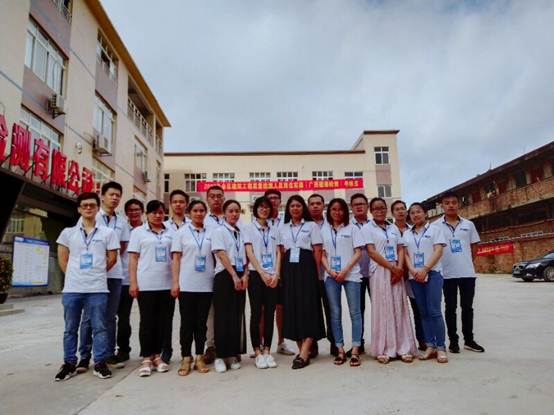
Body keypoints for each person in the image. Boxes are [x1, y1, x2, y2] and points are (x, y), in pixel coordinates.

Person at [55, 192, 118, 381]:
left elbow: (112, 258)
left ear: (98, 208)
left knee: (99, 327)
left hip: (97, 289)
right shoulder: (68, 233)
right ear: (79, 209)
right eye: (85, 205)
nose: (88, 208)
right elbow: (62, 259)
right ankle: (69, 363)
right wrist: (75, 275)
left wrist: (96, 272)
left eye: (92, 205)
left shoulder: (108, 233)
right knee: (70, 328)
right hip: (72, 289)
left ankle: (99, 363)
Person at [77, 181, 130, 373]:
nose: (114, 198)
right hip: (92, 275)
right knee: (88, 316)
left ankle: (108, 353)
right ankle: (84, 356)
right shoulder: (91, 215)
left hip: (114, 275)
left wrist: (108, 259)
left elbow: (121, 247)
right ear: (103, 196)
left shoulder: (122, 221)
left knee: (109, 316)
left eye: (118, 195)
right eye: (111, 194)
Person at [362, 197, 416, 364]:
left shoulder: (393, 227)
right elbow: (371, 252)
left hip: (396, 270)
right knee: (383, 307)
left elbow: (400, 248)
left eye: (382, 208)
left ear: (386, 210)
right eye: (376, 208)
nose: (379, 211)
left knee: (399, 306)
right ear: (371, 211)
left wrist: (399, 268)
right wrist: (392, 268)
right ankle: (384, 348)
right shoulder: (367, 228)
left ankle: (403, 347)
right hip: (379, 270)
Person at [278, 195, 325, 369]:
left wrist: (315, 272)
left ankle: (305, 351)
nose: (295, 208)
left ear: (302, 208)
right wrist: (280, 273)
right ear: (288, 209)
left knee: (309, 307)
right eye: (292, 206)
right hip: (289, 269)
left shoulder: (311, 226)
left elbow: (317, 250)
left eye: (298, 205)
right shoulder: (282, 228)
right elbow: (281, 251)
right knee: (293, 308)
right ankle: (302, 351)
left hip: (307, 268)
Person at [433, 191, 484, 353]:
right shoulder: (435, 226)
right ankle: (453, 341)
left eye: (454, 202)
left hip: (467, 273)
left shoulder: (468, 225)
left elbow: (474, 247)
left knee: (467, 307)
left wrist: (466, 261)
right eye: (447, 203)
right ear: (442, 206)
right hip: (447, 274)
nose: (450, 205)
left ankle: (469, 340)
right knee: (450, 308)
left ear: (458, 204)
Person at [128, 200, 175, 377]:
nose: (157, 215)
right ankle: (147, 357)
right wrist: (133, 282)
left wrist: (175, 282)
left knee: (163, 322)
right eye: (154, 212)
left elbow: (175, 258)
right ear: (147, 214)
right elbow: (133, 259)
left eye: (161, 212)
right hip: (146, 284)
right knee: (147, 321)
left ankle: (157, 356)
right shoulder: (138, 232)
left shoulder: (171, 232)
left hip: (166, 284)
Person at [171, 200, 213, 375]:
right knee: (187, 323)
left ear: (206, 213)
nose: (198, 213)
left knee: (201, 324)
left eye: (202, 210)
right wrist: (175, 283)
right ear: (189, 213)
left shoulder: (211, 232)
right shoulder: (181, 233)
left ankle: (199, 357)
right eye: (195, 210)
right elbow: (176, 259)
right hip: (187, 284)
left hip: (206, 284)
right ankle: (186, 357)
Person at [321, 198, 365, 367]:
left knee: (355, 312)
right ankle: (339, 349)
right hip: (331, 276)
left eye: (340, 209)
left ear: (345, 211)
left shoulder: (352, 228)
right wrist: (330, 270)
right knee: (335, 313)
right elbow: (322, 254)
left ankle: (355, 350)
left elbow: (358, 252)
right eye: (333, 209)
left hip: (351, 275)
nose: (337, 212)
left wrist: (345, 270)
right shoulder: (324, 230)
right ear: (329, 211)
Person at [404, 202, 448, 363]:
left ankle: (441, 347)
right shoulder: (406, 234)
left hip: (433, 273)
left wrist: (425, 269)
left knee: (434, 311)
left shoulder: (435, 230)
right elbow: (405, 254)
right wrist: (413, 270)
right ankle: (430, 345)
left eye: (418, 212)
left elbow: (438, 250)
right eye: (412, 213)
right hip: (415, 276)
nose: (416, 215)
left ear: (425, 213)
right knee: (423, 312)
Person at [210, 200, 248, 373]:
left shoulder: (240, 232)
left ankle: (232, 354)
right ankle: (220, 355)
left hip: (240, 273)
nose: (234, 214)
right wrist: (233, 275)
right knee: (222, 317)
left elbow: (246, 254)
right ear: (224, 213)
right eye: (231, 211)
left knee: (236, 315)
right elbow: (221, 253)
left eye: (237, 211)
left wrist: (244, 275)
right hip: (225, 275)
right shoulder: (219, 231)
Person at [244, 196, 281, 369]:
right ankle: (257, 352)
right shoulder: (248, 228)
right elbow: (249, 252)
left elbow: (279, 252)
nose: (264, 210)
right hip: (256, 275)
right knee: (256, 313)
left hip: (272, 276)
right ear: (255, 209)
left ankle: (267, 351)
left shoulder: (275, 229)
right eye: (261, 207)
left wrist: (276, 274)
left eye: (267, 207)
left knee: (270, 314)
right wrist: (261, 272)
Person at [391, 200, 426, 351]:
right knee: (396, 310)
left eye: (403, 209)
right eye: (397, 209)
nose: (400, 211)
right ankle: (398, 343)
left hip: (412, 274)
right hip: (394, 273)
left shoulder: (413, 230)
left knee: (417, 308)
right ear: (392, 213)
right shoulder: (388, 230)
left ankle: (422, 340)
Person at [264, 189, 295, 356]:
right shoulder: (259, 221)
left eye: (276, 198)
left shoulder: (286, 221)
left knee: (280, 307)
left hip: (284, 269)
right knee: (263, 309)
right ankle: (262, 343)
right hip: (265, 270)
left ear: (280, 201)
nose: (273, 201)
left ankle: (281, 342)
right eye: (270, 198)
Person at [115, 198, 144, 365]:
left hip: (146, 279)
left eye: (137, 209)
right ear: (126, 213)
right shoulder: (122, 229)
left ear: (142, 211)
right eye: (131, 210)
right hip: (125, 279)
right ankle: (123, 349)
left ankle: (149, 350)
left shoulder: (148, 229)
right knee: (123, 317)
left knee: (147, 317)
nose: (134, 212)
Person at [307, 193, 337, 358]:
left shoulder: (331, 224)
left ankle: (335, 342)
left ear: (323, 205)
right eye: (312, 204)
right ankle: (312, 345)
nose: (315, 206)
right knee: (312, 311)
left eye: (318, 203)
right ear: (308, 206)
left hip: (328, 275)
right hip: (309, 276)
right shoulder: (304, 225)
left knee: (332, 309)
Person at [202, 185, 225, 364]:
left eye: (219, 196)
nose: (216, 199)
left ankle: (228, 346)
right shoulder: (203, 220)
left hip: (228, 271)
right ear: (207, 199)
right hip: (208, 271)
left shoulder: (232, 217)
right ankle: (211, 346)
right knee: (210, 311)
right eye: (212, 196)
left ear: (224, 198)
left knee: (228, 310)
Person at [349, 193, 371, 356]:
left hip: (375, 273)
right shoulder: (347, 226)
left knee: (380, 307)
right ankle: (359, 343)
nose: (359, 206)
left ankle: (382, 342)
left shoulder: (375, 225)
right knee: (358, 310)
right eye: (355, 204)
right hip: (356, 275)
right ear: (351, 207)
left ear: (367, 206)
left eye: (362, 204)